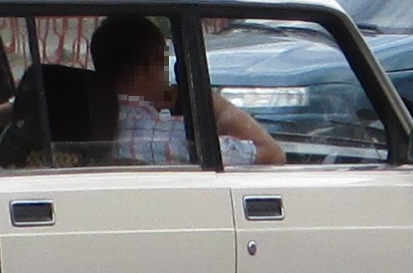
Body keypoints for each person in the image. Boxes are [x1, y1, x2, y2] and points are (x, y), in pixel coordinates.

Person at [90, 13, 284, 166]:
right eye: (164, 62)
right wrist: (205, 98)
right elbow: (272, 153)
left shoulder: (84, 126)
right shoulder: (178, 136)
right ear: (151, 66)